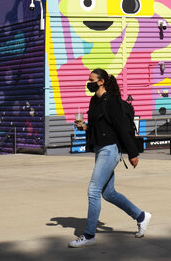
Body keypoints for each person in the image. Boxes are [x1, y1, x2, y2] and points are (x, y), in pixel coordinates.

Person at [69, 68, 151, 248]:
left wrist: (133, 153)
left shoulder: (112, 101)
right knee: (108, 193)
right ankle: (141, 216)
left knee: (93, 190)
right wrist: (84, 127)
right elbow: (98, 127)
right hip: (100, 149)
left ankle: (89, 235)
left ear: (101, 82)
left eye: (91, 79)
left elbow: (121, 127)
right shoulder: (94, 101)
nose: (88, 82)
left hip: (110, 150)